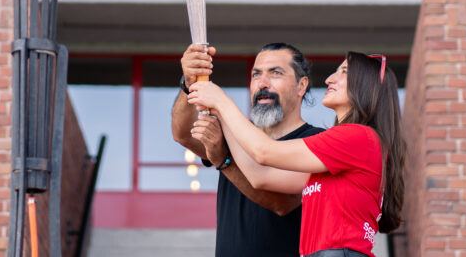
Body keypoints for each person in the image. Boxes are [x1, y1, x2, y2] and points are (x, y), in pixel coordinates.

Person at [187, 52, 406, 257]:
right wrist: (219, 121)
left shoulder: (358, 137)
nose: (330, 79)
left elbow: (264, 151)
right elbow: (260, 176)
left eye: (344, 72)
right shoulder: (345, 150)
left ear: (366, 86)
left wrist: (221, 102)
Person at [171, 42, 323, 257]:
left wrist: (224, 161)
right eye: (256, 75)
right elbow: (183, 134)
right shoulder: (235, 133)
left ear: (301, 85)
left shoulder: (317, 141)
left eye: (276, 73)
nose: (263, 83)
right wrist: (189, 83)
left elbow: (283, 205)